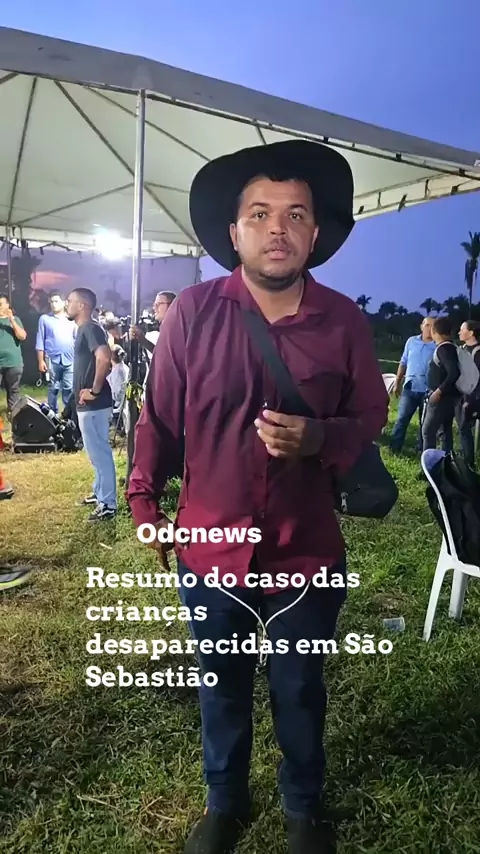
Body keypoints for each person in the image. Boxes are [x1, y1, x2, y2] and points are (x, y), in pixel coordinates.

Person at [128, 140, 388, 854]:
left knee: (300, 686)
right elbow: (159, 420)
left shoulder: (343, 321)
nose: (279, 228)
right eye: (261, 214)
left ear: (315, 232)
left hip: (307, 551)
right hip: (211, 546)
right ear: (234, 233)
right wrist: (147, 506)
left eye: (296, 214)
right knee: (222, 684)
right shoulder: (192, 313)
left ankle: (304, 807)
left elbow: (371, 415)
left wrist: (320, 438)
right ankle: (226, 802)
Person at [66, 288, 117, 521]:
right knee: (95, 454)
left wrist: (94, 391)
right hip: (89, 405)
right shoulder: (87, 329)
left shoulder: (90, 328)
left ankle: (108, 504)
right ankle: (100, 494)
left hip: (94, 405)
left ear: (82, 305)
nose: (67, 304)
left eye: (70, 301)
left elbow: (104, 357)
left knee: (100, 454)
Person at [389, 317, 436, 453]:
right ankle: (394, 448)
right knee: (402, 419)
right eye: (427, 325)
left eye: (433, 326)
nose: (430, 329)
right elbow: (403, 362)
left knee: (424, 423)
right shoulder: (411, 341)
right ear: (422, 326)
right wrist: (397, 382)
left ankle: (422, 450)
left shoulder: (437, 345)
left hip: (428, 390)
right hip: (410, 387)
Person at [422, 316, 460, 452]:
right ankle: (446, 461)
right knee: (444, 432)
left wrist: (439, 391)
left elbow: (453, 372)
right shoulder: (452, 347)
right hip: (450, 398)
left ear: (434, 331)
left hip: (441, 399)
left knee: (428, 432)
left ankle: (429, 463)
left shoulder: (444, 349)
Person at [36, 290, 76, 413]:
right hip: (52, 359)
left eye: (56, 301)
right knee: (53, 387)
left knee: (69, 388)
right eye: (52, 302)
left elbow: (77, 339)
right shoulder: (45, 319)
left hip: (70, 359)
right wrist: (41, 361)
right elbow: (40, 341)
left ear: (64, 303)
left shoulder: (72, 320)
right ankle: (52, 414)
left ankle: (68, 414)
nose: (53, 304)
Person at [456, 320, 480, 467]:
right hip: (459, 396)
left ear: (471, 333)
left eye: (462, 329)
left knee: (465, 429)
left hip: (471, 398)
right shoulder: (462, 349)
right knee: (461, 429)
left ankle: (469, 463)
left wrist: (469, 400)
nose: (459, 332)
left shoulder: (477, 353)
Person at [0, 295, 27, 418]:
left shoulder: (15, 319)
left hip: (13, 362)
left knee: (13, 390)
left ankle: (14, 416)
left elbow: (22, 336)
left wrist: (11, 320)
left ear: (7, 305)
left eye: (1, 304)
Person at [129, 291, 176, 356]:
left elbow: (165, 356)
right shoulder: (165, 329)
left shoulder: (176, 330)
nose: (154, 308)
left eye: (158, 304)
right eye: (154, 305)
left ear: (172, 305)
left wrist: (144, 341)